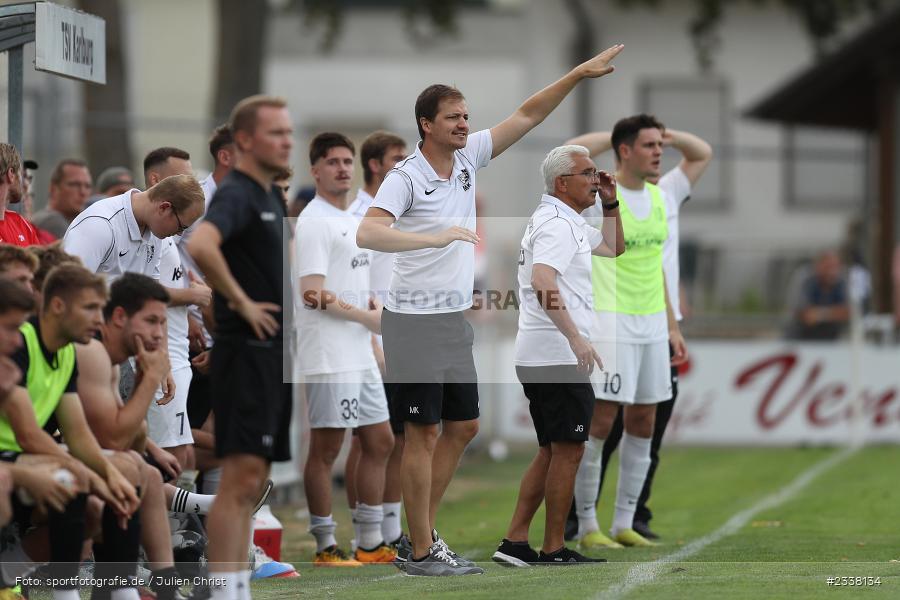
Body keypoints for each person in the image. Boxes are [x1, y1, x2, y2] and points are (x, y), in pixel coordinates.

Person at [356, 43, 624, 576]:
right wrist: (432, 238)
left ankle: (421, 538)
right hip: (412, 318)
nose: (464, 124)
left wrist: (576, 74)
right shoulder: (406, 176)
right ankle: (423, 547)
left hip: (450, 320)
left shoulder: (468, 158)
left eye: (466, 117)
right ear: (425, 124)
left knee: (465, 426)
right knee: (423, 432)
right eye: (453, 117)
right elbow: (370, 231)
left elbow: (528, 113)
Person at [564, 123, 712, 541]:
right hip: (611, 320)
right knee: (601, 421)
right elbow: (566, 151)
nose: (658, 152)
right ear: (624, 151)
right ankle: (588, 523)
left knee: (645, 419)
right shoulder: (596, 196)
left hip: (653, 323)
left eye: (660, 145)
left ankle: (626, 522)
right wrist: (614, 131)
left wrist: (671, 324)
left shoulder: (663, 195)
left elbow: (658, 268)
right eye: (649, 145)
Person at [492, 145, 623, 567]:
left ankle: (514, 542)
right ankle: (552, 548)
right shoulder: (557, 225)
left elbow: (615, 248)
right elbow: (543, 281)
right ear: (562, 183)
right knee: (568, 449)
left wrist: (611, 202)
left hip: (542, 352)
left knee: (552, 449)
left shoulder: (563, 219)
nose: (595, 178)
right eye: (587, 173)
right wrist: (575, 339)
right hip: (555, 354)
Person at [187, 95, 293, 600]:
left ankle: (228, 587)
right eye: (276, 133)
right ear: (245, 141)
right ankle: (226, 590)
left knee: (253, 480)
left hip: (272, 356)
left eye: (289, 132)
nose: (286, 141)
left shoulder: (270, 194)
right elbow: (201, 244)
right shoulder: (240, 194)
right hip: (246, 354)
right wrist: (242, 302)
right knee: (239, 480)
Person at [0, 265, 141, 600]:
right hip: (14, 457)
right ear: (59, 306)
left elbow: (78, 436)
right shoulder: (22, 343)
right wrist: (86, 472)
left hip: (24, 457)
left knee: (122, 473)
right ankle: (65, 593)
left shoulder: (65, 352)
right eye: (90, 308)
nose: (99, 318)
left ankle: (121, 590)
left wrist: (108, 475)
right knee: (74, 478)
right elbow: (29, 436)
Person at [295, 133, 394, 565]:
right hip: (328, 353)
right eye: (332, 162)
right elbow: (312, 293)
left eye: (346, 161)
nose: (342, 168)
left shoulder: (356, 220)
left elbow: (357, 286)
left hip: (358, 349)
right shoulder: (313, 220)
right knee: (327, 449)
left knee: (380, 440)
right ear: (315, 171)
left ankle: (370, 542)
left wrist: (372, 335)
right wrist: (365, 319)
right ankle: (324, 544)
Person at [345, 130, 408, 554]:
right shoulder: (358, 215)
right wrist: (372, 342)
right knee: (368, 440)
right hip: (371, 339)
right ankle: (363, 530)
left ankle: (390, 528)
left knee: (402, 436)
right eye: (396, 158)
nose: (404, 165)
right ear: (374, 165)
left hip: (403, 332)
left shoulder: (398, 206)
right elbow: (356, 285)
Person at [62, 173, 205, 284]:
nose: (179, 233)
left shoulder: (155, 229)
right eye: (181, 227)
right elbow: (68, 287)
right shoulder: (99, 225)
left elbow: (148, 295)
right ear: (164, 208)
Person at [787, 249, 850, 340]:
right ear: (817, 266)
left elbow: (848, 312)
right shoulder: (805, 278)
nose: (832, 271)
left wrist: (819, 314)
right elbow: (805, 315)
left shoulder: (842, 280)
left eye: (836, 266)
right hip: (800, 338)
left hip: (831, 339)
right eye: (828, 266)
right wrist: (834, 313)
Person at [32, 159, 92, 239]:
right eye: (75, 184)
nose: (83, 192)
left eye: (87, 186)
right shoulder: (52, 221)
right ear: (53, 189)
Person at [0, 144, 40, 247]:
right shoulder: (21, 224)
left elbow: (40, 262)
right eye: (22, 174)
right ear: (11, 174)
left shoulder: (21, 223)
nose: (25, 183)